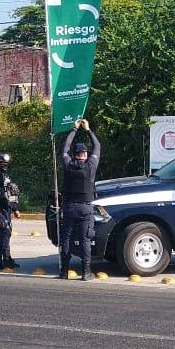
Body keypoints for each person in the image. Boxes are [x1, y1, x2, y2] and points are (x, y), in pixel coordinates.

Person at [59, 119, 100, 280]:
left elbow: (65, 148)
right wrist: (88, 130)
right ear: (85, 154)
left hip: (69, 207)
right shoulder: (90, 165)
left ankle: (64, 272)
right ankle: (85, 272)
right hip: (85, 208)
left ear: (74, 154)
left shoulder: (68, 163)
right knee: (85, 240)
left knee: (66, 238)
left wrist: (74, 129)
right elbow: (97, 146)